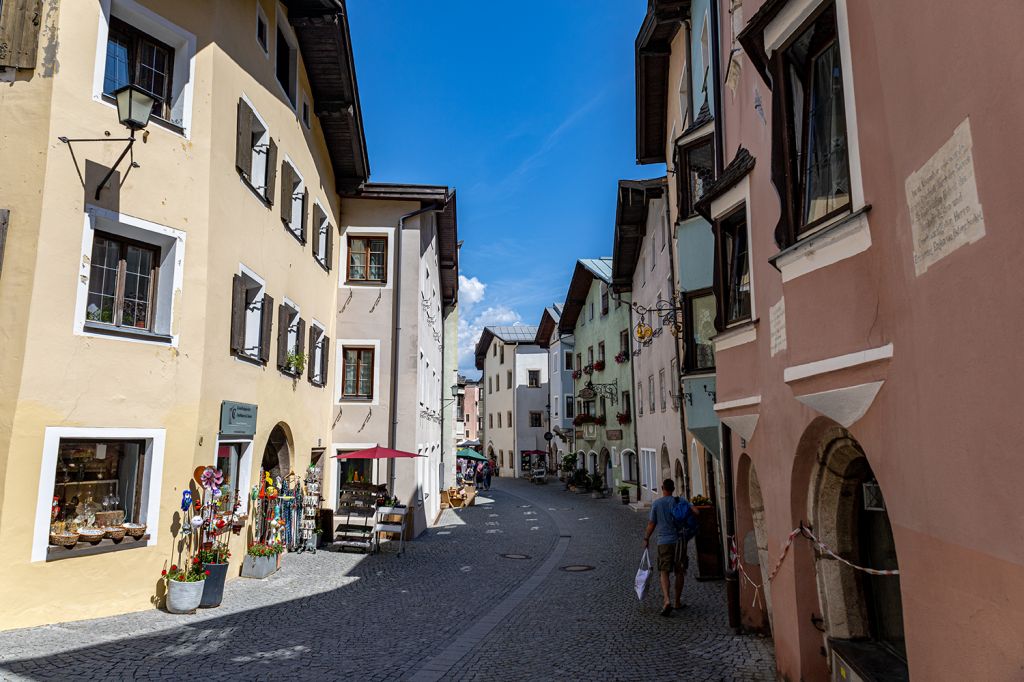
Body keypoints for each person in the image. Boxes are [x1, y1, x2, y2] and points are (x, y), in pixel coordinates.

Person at [642, 478, 694, 616]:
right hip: (680, 541)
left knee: (664, 571)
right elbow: (695, 512)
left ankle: (666, 600)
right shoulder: (680, 501)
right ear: (673, 489)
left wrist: (646, 538)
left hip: (664, 541)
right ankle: (677, 601)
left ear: (662, 487)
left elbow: (652, 524)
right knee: (679, 571)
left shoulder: (657, 504)